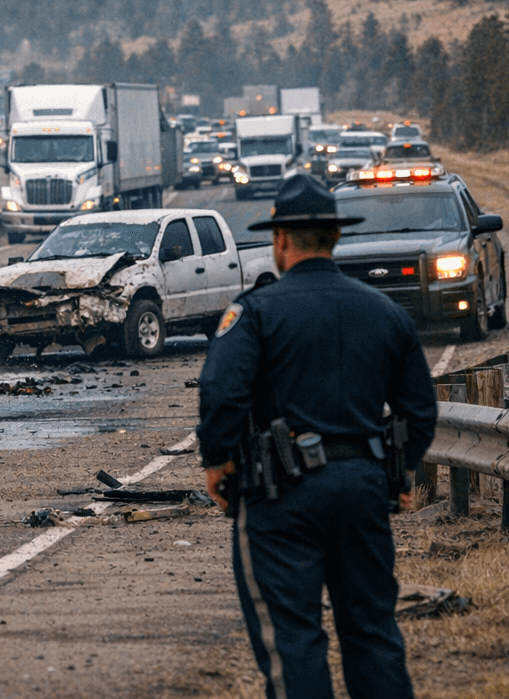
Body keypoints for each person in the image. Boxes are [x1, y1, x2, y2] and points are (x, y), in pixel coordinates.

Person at [198, 175, 438, 699]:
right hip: (363, 491)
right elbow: (419, 410)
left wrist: (217, 461)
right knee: (373, 633)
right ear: (335, 237)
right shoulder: (386, 312)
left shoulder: (255, 312)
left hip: (280, 496)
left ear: (280, 240)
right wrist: (395, 473)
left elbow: (221, 391)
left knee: (294, 640)